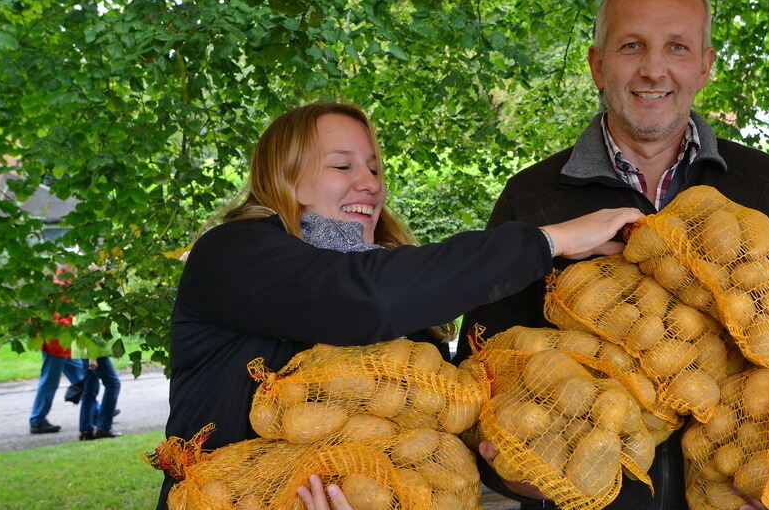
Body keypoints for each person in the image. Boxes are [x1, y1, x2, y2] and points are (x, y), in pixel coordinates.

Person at [455, 0, 769, 510]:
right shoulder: (533, 200)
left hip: (746, 495)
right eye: (631, 46)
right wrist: (516, 475)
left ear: (704, 65)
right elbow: (480, 373)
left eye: (676, 46)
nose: (653, 69)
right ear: (598, 64)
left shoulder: (767, 187)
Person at [155, 102, 642, 510]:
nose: (368, 182)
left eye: (373, 167)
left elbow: (431, 437)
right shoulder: (233, 255)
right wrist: (549, 240)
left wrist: (515, 466)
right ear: (284, 178)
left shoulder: (407, 309)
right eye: (342, 165)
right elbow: (365, 298)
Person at [28, 267, 85, 434]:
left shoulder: (65, 287)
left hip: (63, 345)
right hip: (56, 345)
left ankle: (95, 412)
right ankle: (37, 420)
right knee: (50, 383)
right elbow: (58, 319)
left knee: (83, 378)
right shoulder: (61, 288)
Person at [76, 347, 122, 440]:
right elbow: (94, 333)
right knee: (113, 384)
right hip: (95, 351)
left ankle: (86, 430)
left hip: (85, 349)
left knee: (90, 389)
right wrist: (93, 358)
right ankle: (103, 427)